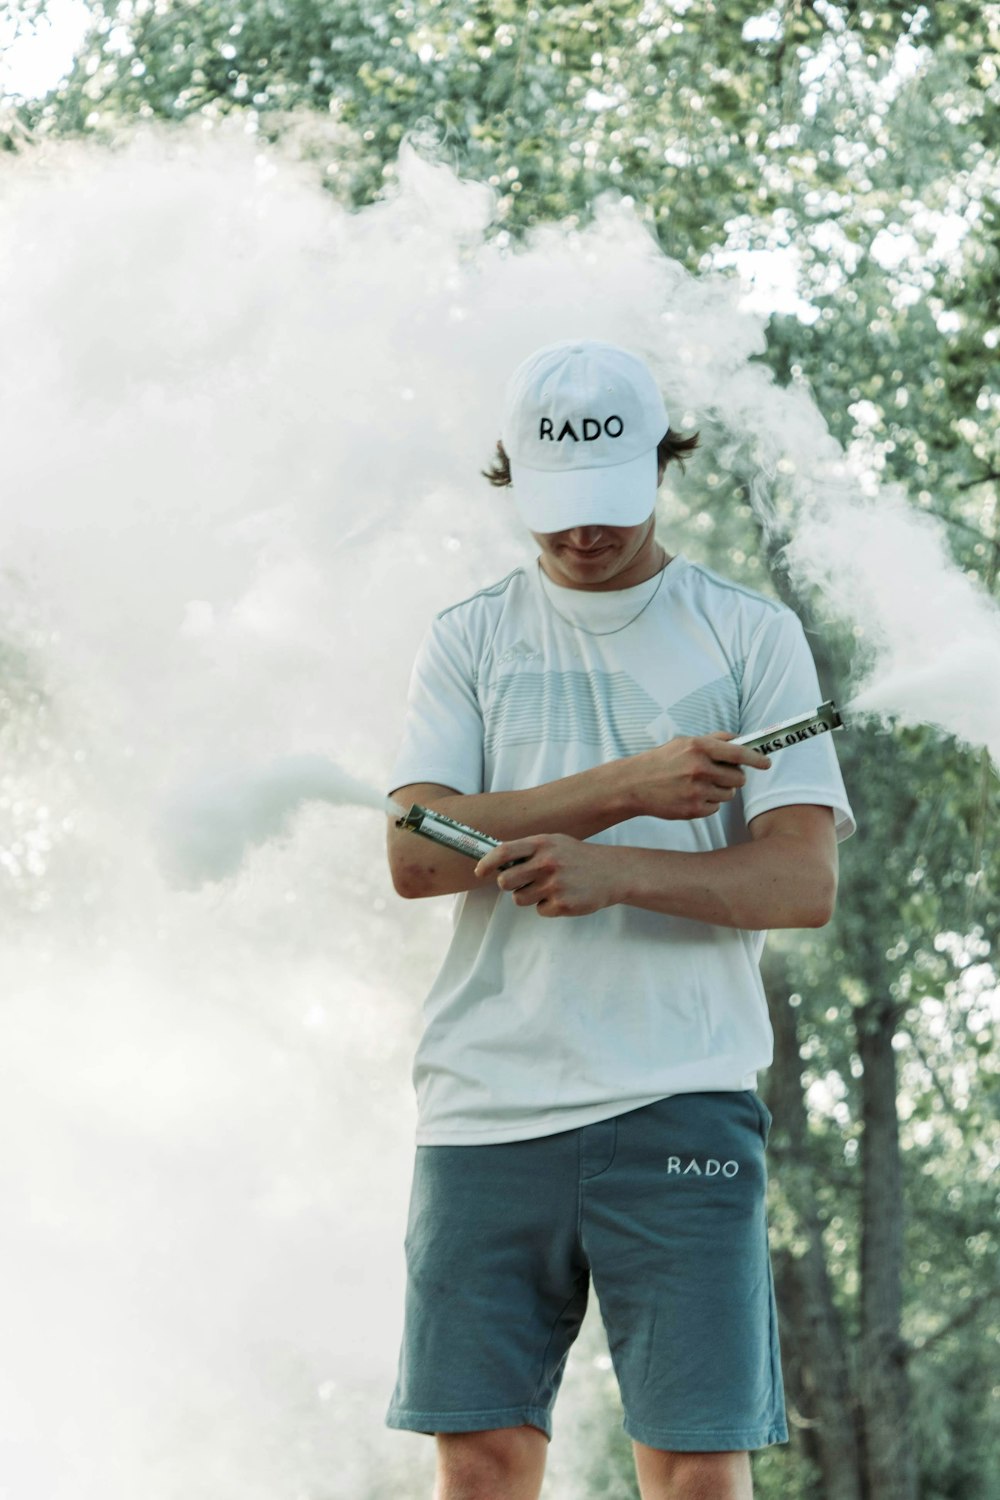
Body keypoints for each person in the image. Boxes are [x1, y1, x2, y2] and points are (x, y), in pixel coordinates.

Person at [383, 339, 856, 1500]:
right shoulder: (469, 637)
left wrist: (620, 875)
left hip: (680, 1092)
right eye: (555, 509)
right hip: (486, 1104)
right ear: (513, 477)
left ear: (659, 466)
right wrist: (622, 793)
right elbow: (412, 847)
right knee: (483, 1463)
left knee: (695, 1471)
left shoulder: (751, 636)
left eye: (608, 506)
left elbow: (800, 884)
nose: (582, 534)